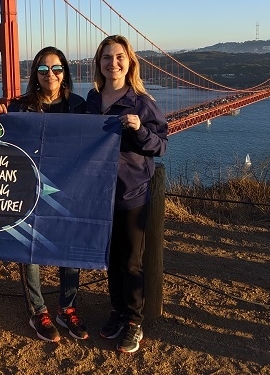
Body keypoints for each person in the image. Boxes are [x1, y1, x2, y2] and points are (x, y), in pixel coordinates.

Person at [0, 46, 89, 342]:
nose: (50, 75)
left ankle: (67, 308)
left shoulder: (80, 106)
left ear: (65, 73)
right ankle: (38, 311)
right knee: (29, 250)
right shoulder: (19, 107)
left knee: (69, 249)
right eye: (43, 70)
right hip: (29, 190)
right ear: (35, 74)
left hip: (69, 189)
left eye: (57, 69)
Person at [85, 34, 168, 354]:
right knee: (111, 259)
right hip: (99, 195)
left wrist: (140, 129)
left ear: (130, 62)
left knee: (132, 261)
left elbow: (160, 146)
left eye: (119, 57)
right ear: (99, 63)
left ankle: (134, 321)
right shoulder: (91, 101)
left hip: (131, 194)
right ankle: (117, 312)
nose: (113, 62)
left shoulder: (142, 103)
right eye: (106, 57)